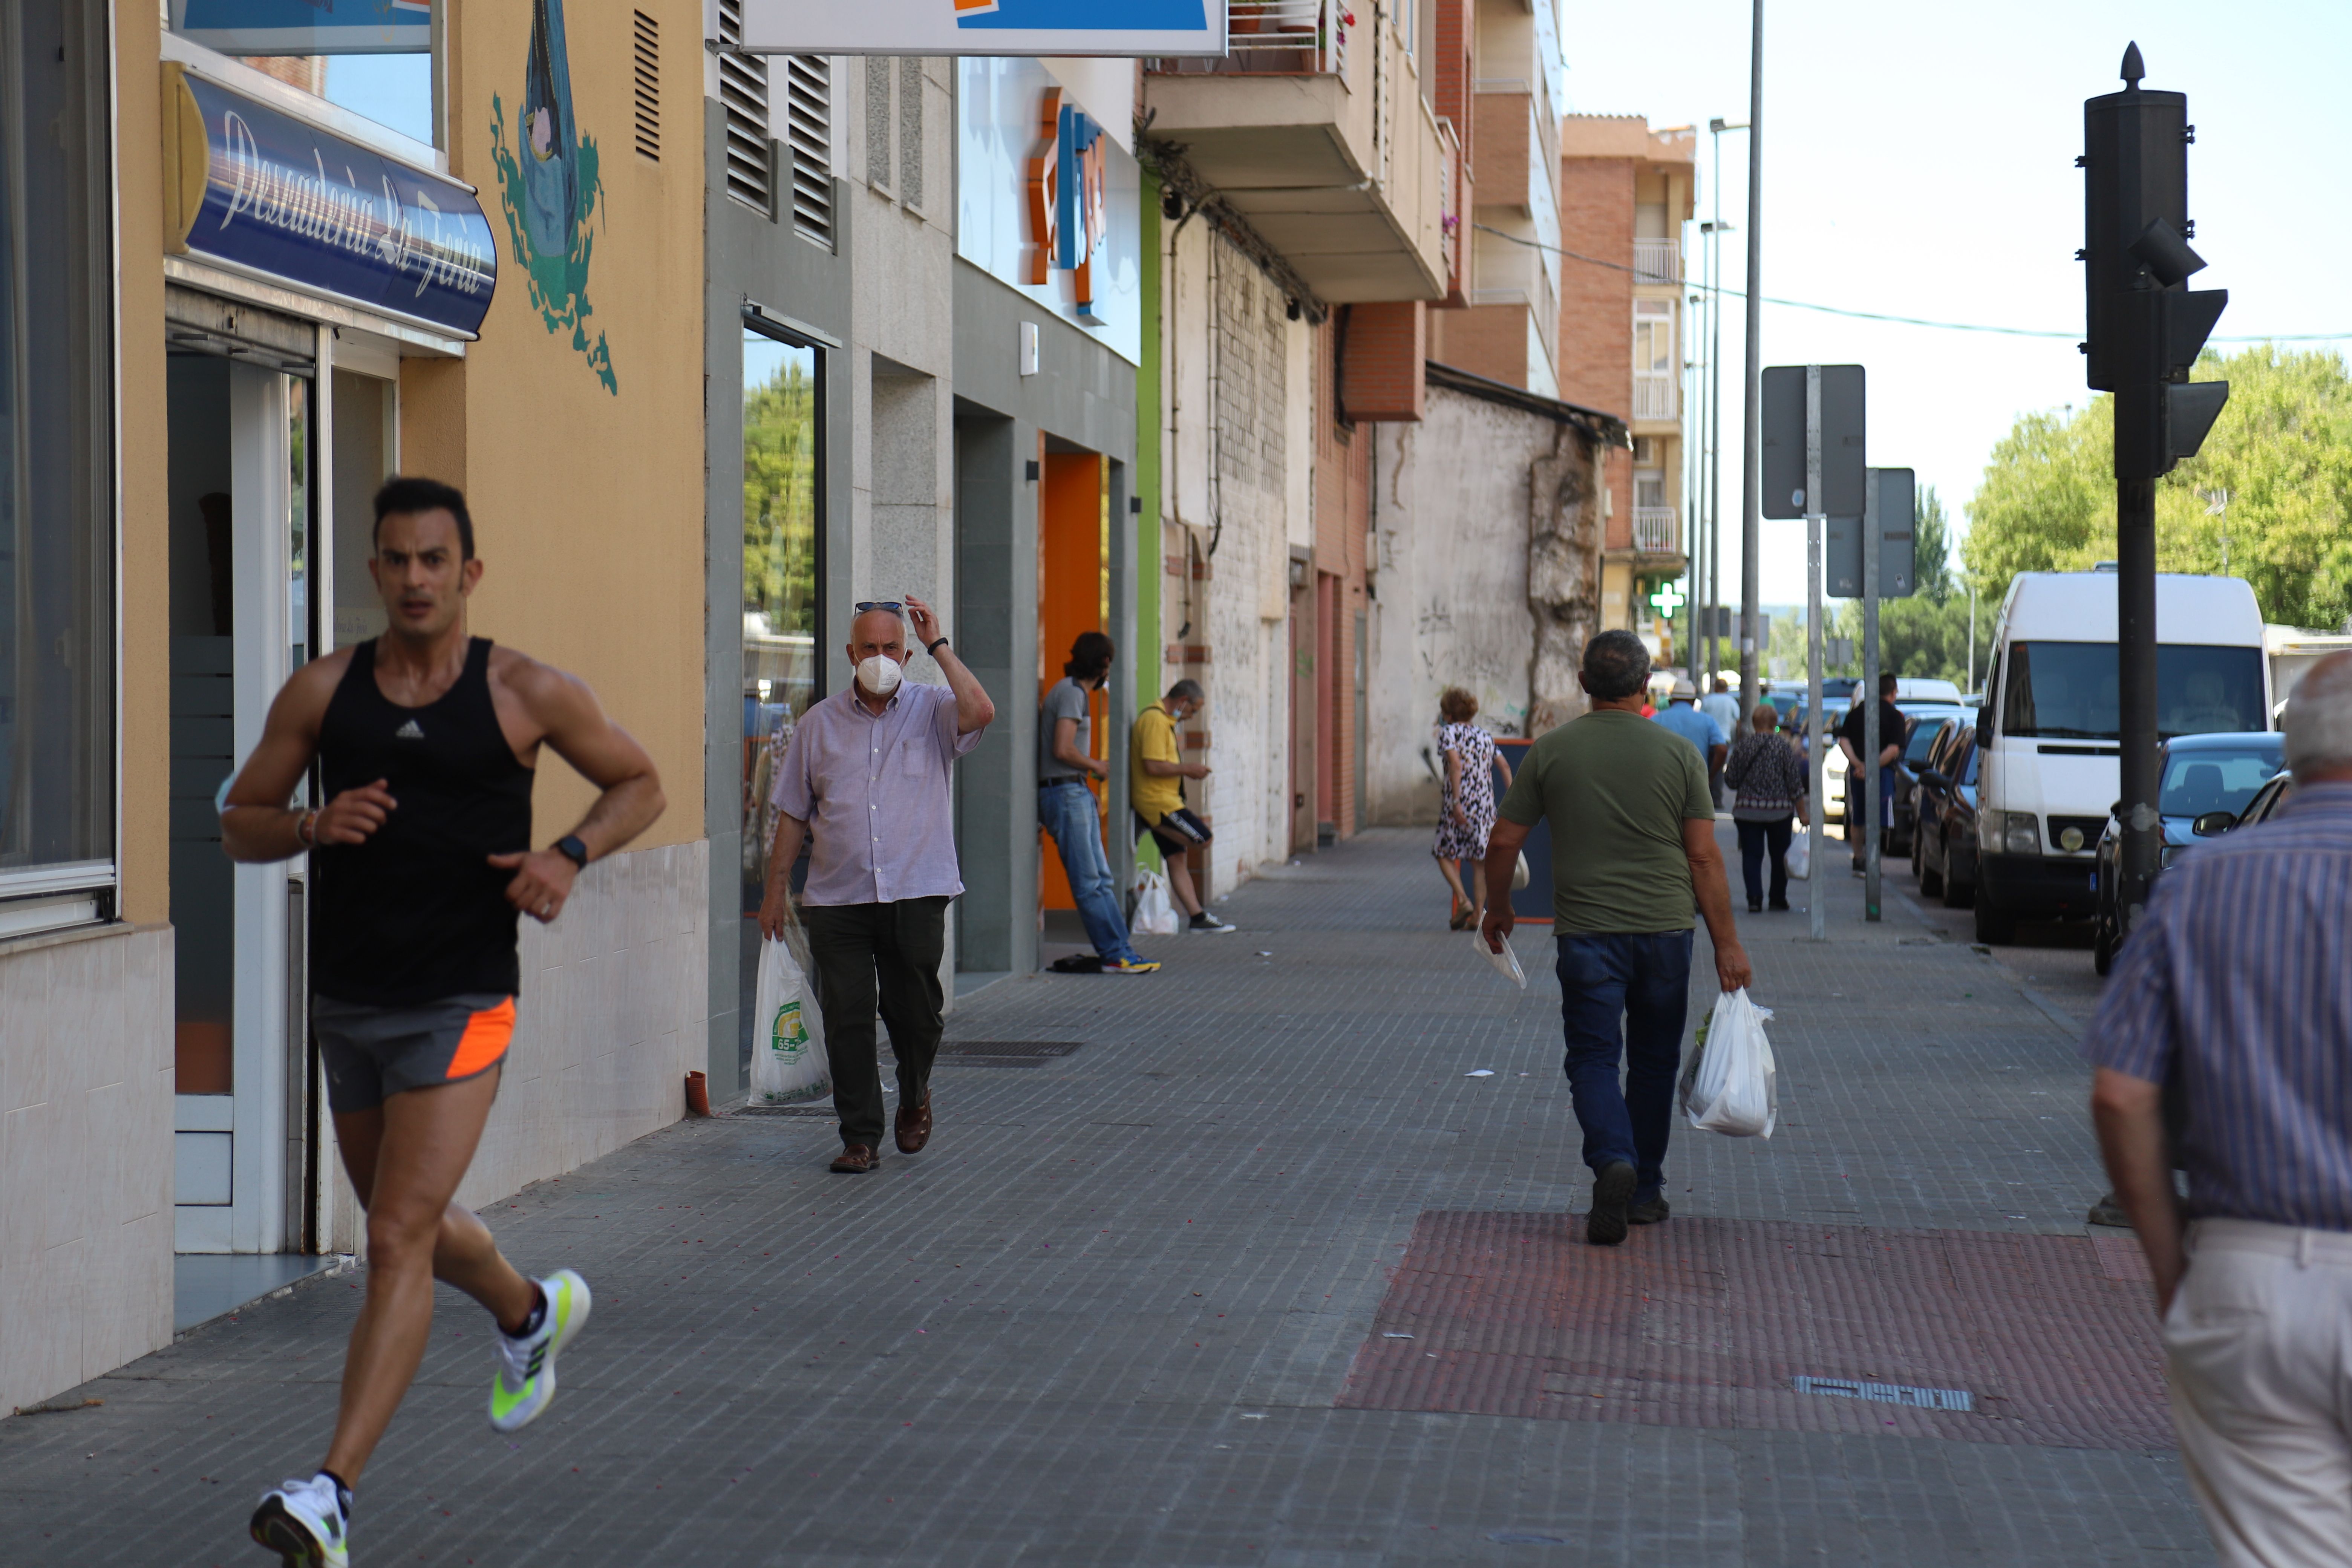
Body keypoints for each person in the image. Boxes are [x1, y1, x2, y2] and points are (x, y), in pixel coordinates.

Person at [220, 478, 667, 1566]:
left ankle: (331, 1494)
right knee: (404, 1222)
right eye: (396, 560)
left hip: (463, 1000)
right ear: (372, 571)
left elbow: (640, 783)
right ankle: (527, 1313)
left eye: (435, 560)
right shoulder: (324, 693)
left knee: (389, 1239)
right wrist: (312, 822)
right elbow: (240, 823)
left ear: (469, 573)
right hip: (350, 1002)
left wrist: (568, 855)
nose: (416, 579)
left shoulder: (523, 691)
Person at [2086, 650, 2352, 1568]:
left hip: (2253, 1281)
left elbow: (2121, 1090)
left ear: (2295, 752)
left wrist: (2173, 1268)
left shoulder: (2202, 883)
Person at [1482, 631, 1752, 1246]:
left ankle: (1612, 1161)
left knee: (1595, 1059)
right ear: (1644, 685)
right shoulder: (1680, 755)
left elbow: (1502, 842)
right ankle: (1646, 1191)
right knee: (1654, 1063)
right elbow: (1705, 859)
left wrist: (1499, 909)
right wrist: (1728, 945)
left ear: (1583, 685)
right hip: (1667, 933)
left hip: (1587, 937)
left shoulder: (1551, 752)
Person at [758, 597, 996, 1175]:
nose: (881, 657)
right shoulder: (818, 724)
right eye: (870, 648)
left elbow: (982, 711)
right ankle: (859, 1136)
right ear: (850, 654)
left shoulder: (935, 709)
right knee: (849, 1016)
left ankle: (915, 1092)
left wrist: (939, 646)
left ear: (906, 654)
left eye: (892, 648)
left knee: (916, 1013)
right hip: (838, 898)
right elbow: (792, 812)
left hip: (917, 891)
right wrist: (774, 890)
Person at [1038, 632, 1160, 974]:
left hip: (1072, 791)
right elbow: (1062, 749)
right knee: (1091, 881)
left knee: (1102, 879)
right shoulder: (1073, 693)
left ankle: (1122, 951)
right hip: (1064, 793)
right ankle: (1114, 954)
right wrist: (1096, 767)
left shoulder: (1072, 692)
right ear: (1104, 663)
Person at [1130, 677, 1235, 933]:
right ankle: (1153, 823)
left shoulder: (1165, 722)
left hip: (1166, 800)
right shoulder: (1155, 720)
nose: (1191, 716)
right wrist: (1188, 769)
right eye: (1193, 710)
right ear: (1182, 701)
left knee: (1177, 859)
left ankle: (1198, 917)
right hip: (1159, 804)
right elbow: (1152, 766)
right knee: (1203, 838)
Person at [1433, 687, 1509, 930]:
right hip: (1485, 805)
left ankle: (1463, 900)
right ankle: (1478, 915)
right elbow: (1505, 766)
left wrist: (1456, 801)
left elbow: (1455, 764)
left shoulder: (1449, 733)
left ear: (1448, 714)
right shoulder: (1485, 735)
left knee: (1443, 852)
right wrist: (1512, 798)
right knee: (1479, 861)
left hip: (1460, 803)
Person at [1723, 701, 1809, 913]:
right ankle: (1777, 898)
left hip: (1747, 811)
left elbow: (1731, 780)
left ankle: (1754, 898)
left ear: (1754, 723)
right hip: (1780, 813)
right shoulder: (1783, 747)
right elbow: (1794, 783)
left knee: (1752, 855)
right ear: (1775, 723)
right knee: (1780, 855)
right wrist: (1803, 813)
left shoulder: (1744, 746)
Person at [1837, 671, 1906, 874]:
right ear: (1894, 693)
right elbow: (1893, 749)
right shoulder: (1895, 717)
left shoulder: (1858, 712)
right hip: (1882, 774)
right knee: (1881, 819)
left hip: (1858, 774)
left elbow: (1844, 741)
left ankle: (1859, 859)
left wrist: (1859, 765)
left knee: (1858, 817)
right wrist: (1871, 769)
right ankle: (1874, 862)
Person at [1651, 678, 1730, 784]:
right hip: (1697, 780)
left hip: (1665, 780)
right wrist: (1710, 777)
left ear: (1671, 701)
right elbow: (1722, 750)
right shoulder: (1707, 720)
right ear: (1693, 702)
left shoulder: (1657, 719)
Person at [1701, 676, 1744, 805]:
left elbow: (1702, 719)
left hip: (1708, 739)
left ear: (1715, 688)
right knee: (1719, 768)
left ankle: (1705, 796)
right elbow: (1738, 722)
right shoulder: (1731, 701)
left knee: (1705, 767)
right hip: (1724, 739)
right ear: (1726, 689)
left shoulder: (1708, 700)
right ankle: (1717, 798)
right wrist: (1739, 739)